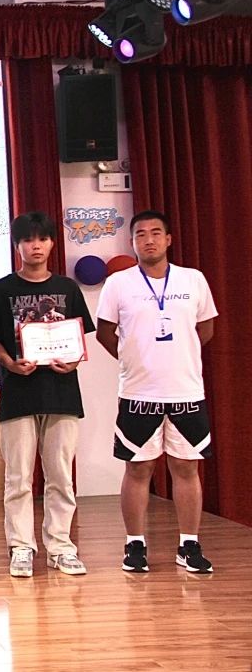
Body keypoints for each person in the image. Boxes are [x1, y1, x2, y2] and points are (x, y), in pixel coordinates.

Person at [95, 210, 218, 574]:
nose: (148, 240)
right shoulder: (118, 284)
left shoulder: (193, 279)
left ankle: (189, 544)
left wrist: (177, 357)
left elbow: (205, 329)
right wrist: (135, 359)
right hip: (138, 392)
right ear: (132, 242)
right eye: (140, 235)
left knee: (186, 467)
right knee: (138, 468)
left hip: (186, 391)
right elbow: (105, 333)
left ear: (168, 239)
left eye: (155, 233)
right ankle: (135, 544)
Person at [0, 211, 94, 578]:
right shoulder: (1, 289)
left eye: (42, 239)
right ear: (17, 245)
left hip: (62, 394)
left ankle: (60, 546)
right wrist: (9, 363)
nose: (35, 246)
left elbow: (79, 339)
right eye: (28, 240)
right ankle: (21, 547)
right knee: (17, 478)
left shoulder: (67, 288)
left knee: (60, 476)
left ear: (52, 244)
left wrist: (73, 361)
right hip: (18, 394)